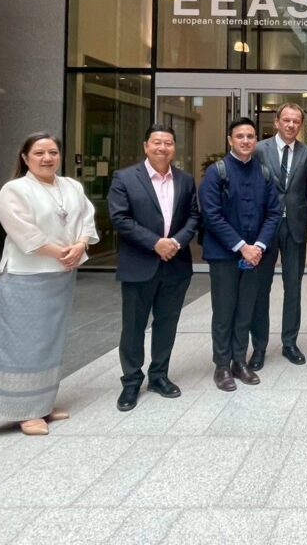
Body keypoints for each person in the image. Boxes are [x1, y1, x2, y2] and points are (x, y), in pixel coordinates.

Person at [0, 133, 98, 435]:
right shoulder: (14, 190)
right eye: (40, 153)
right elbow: (23, 232)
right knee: (23, 342)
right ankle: (24, 411)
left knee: (49, 341)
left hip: (61, 274)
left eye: (53, 152)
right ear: (25, 157)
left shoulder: (71, 186)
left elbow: (87, 218)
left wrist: (81, 244)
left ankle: (42, 404)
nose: (47, 158)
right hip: (26, 276)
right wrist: (60, 252)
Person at [107, 123, 200, 412]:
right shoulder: (125, 178)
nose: (163, 147)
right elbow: (120, 218)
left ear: (174, 148)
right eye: (157, 142)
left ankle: (159, 375)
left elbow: (194, 216)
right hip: (140, 263)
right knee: (133, 326)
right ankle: (131, 381)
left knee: (167, 324)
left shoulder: (185, 180)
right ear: (146, 146)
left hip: (176, 264)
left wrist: (176, 242)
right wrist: (155, 243)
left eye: (168, 143)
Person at [199, 117, 281, 392]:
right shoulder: (217, 172)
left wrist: (259, 246)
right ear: (230, 140)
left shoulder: (264, 173)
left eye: (250, 136)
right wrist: (241, 246)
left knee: (246, 309)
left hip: (254, 256)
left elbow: (273, 213)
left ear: (256, 140)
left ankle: (239, 360)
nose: (246, 141)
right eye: (240, 136)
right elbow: (211, 215)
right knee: (224, 311)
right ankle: (222, 365)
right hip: (224, 256)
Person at [249, 102, 307, 371]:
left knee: (293, 287)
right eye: (286, 120)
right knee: (260, 289)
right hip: (265, 227)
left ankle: (290, 343)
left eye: (296, 121)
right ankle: (259, 347)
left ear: (301, 125)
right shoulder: (259, 150)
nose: (291, 125)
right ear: (277, 122)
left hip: (295, 227)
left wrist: (293, 210)